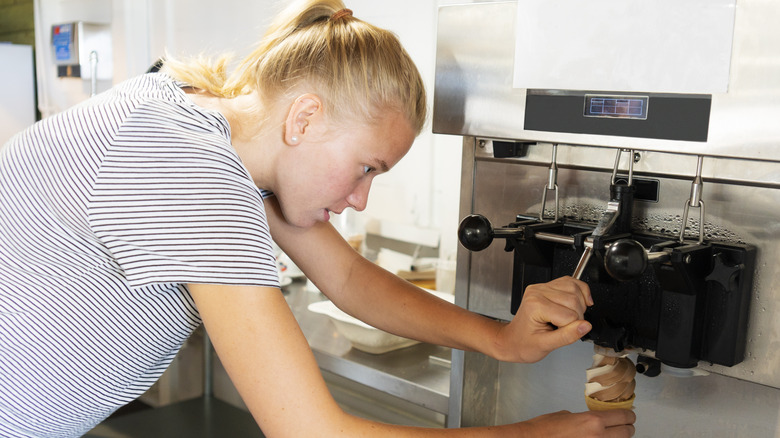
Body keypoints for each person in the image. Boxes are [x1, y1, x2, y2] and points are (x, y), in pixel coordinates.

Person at [0, 1, 636, 436]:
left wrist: (499, 339)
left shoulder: (199, 121)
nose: (361, 199)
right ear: (304, 118)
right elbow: (309, 429)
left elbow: (351, 280)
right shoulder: (195, 173)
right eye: (367, 167)